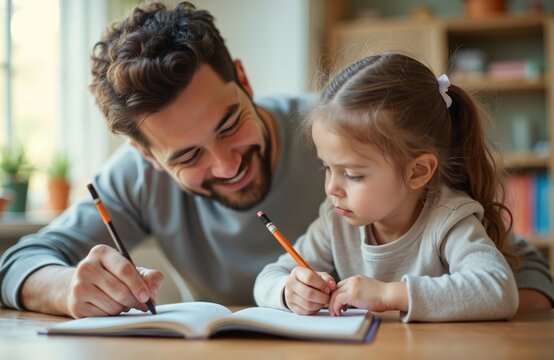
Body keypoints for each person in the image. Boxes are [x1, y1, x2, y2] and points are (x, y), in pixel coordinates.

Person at [0, 2, 552, 319]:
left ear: (243, 78)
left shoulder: (349, 130)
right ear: (145, 156)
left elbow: (517, 265)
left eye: (229, 124)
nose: (225, 164)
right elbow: (21, 259)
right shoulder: (134, 176)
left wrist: (436, 312)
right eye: (188, 155)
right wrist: (65, 289)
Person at [253, 53, 534, 322]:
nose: (332, 189)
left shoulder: (448, 219)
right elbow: (268, 277)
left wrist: (389, 295)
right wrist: (289, 291)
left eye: (352, 174)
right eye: (327, 168)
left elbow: (499, 290)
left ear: (418, 172)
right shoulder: (335, 220)